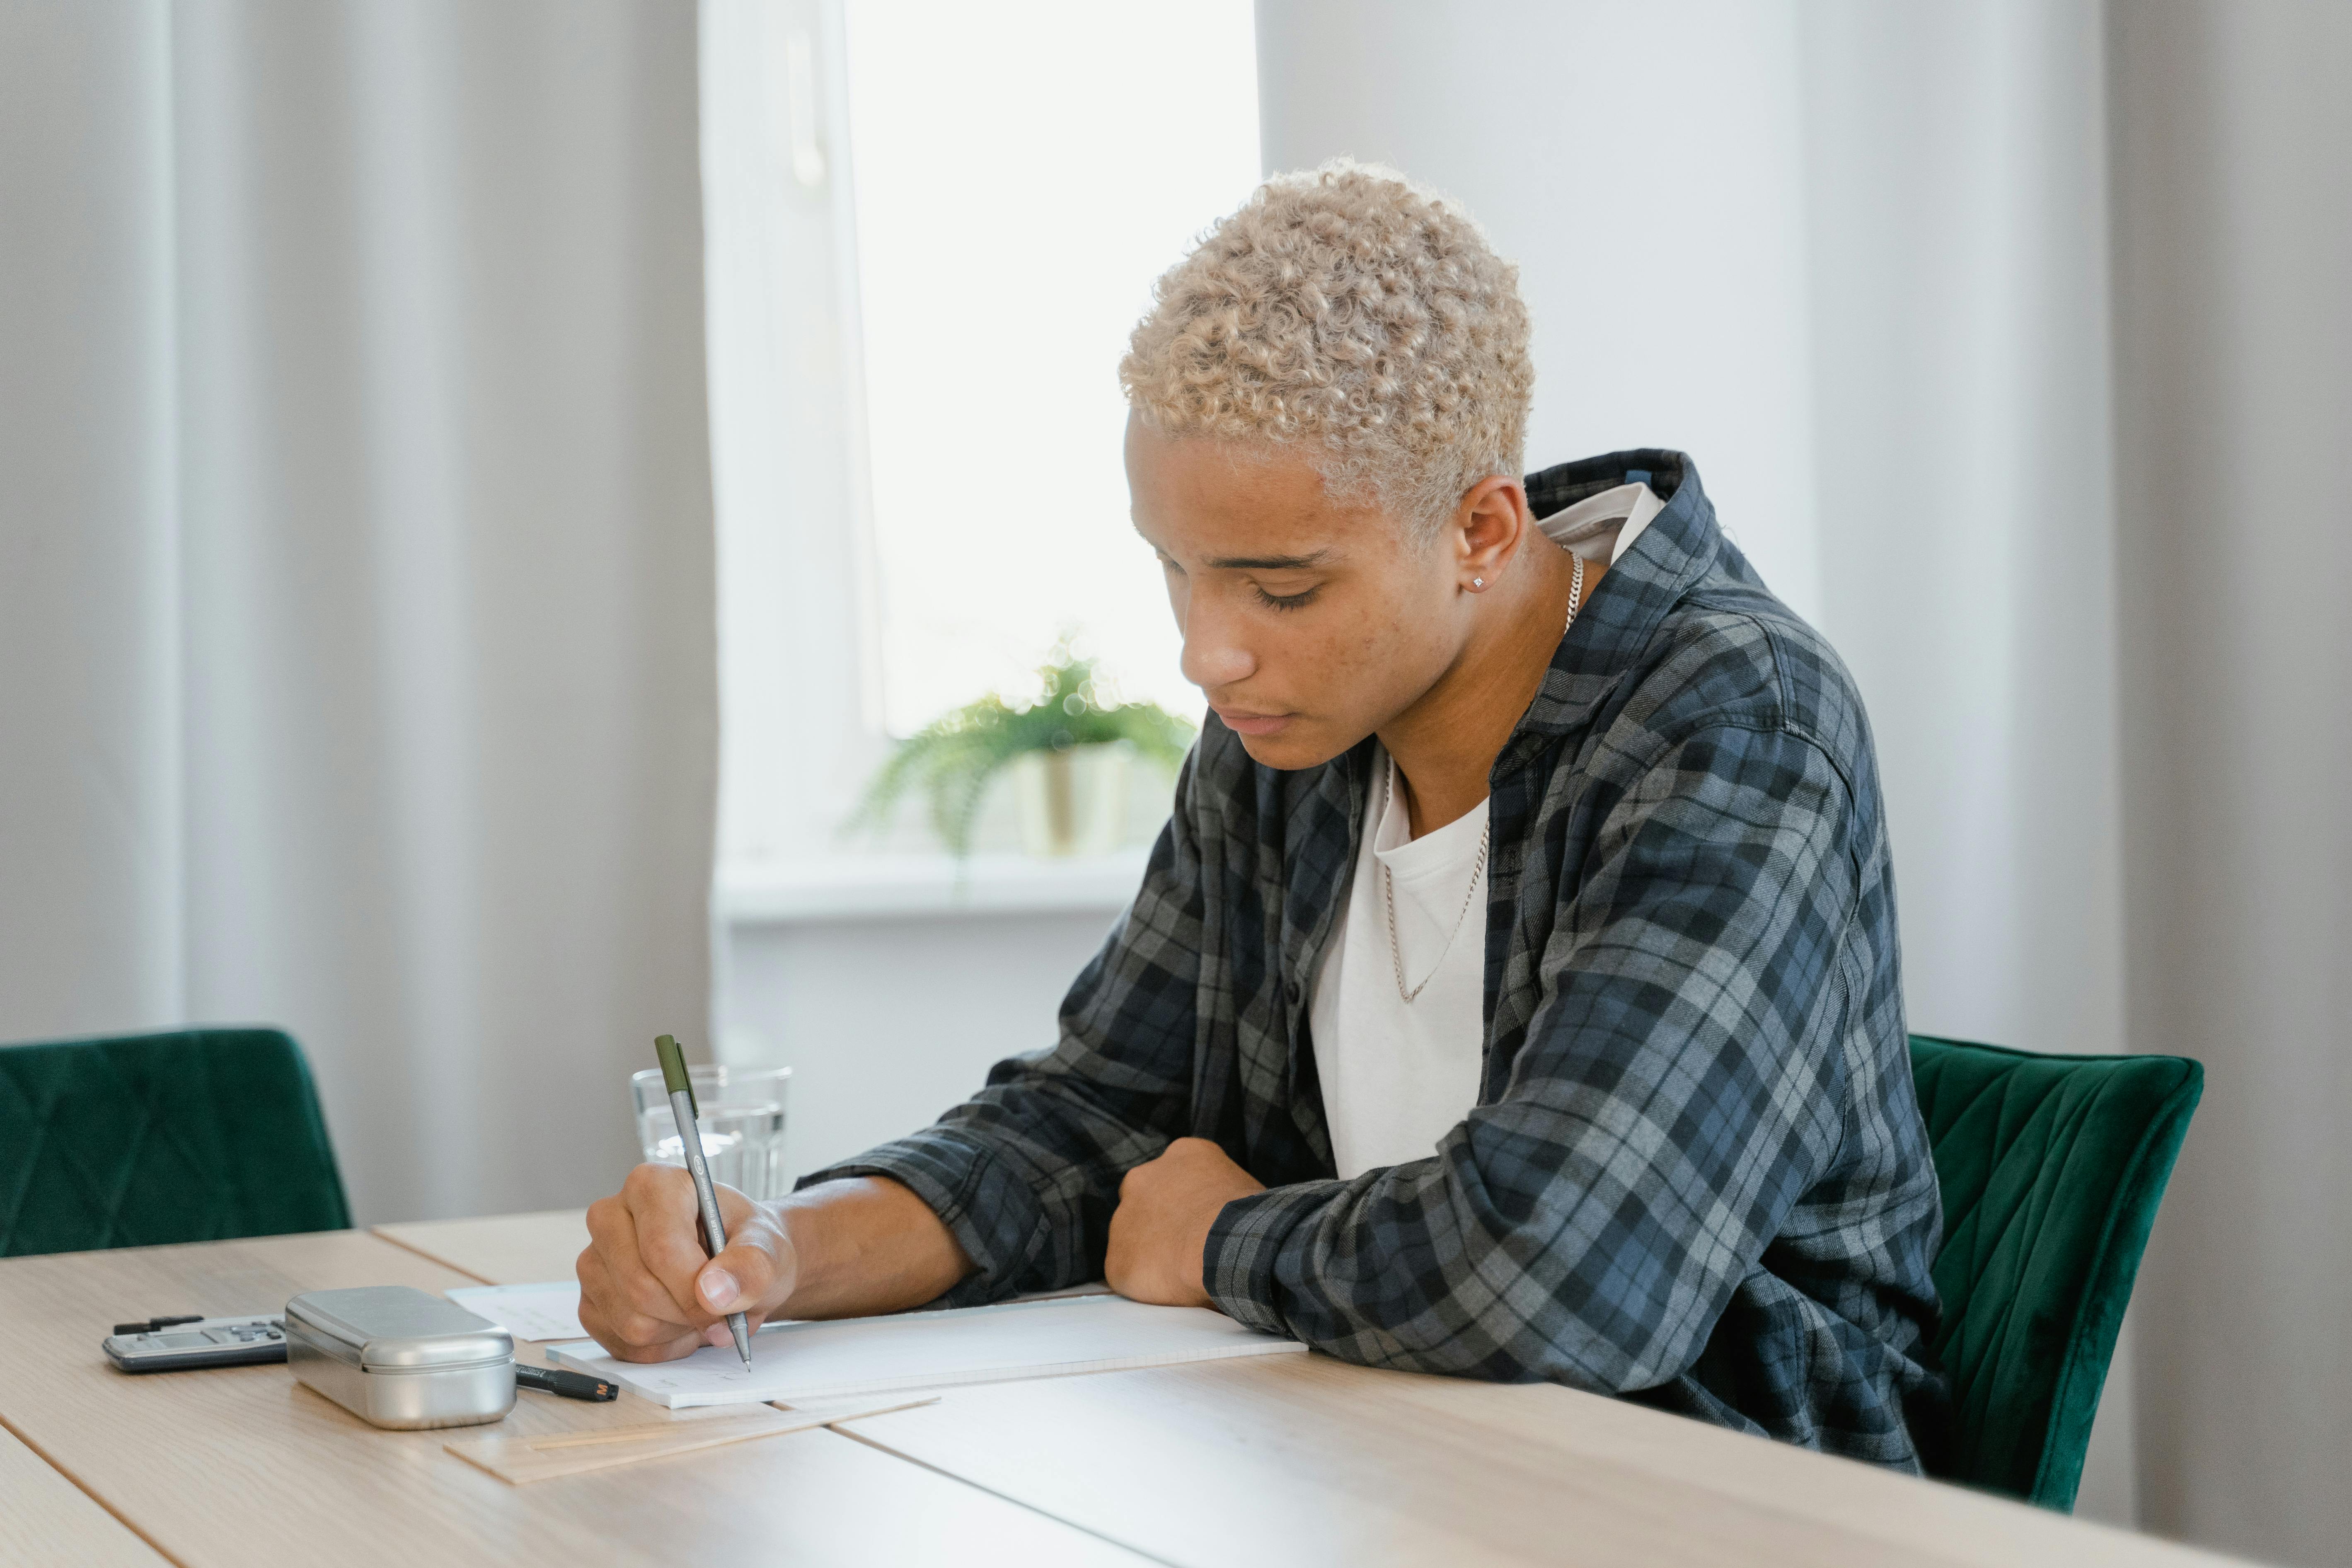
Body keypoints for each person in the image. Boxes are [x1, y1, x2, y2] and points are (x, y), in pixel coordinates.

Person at [578, 161, 1948, 1470]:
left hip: (1709, 1489)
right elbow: (1096, 1120)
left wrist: (1223, 1238)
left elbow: (1569, 1277)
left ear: (1479, 531)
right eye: (1174, 571)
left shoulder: (1731, 729)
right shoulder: (1290, 729)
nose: (1206, 653)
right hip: (1357, 1452)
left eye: (1279, 590)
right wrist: (779, 1250)